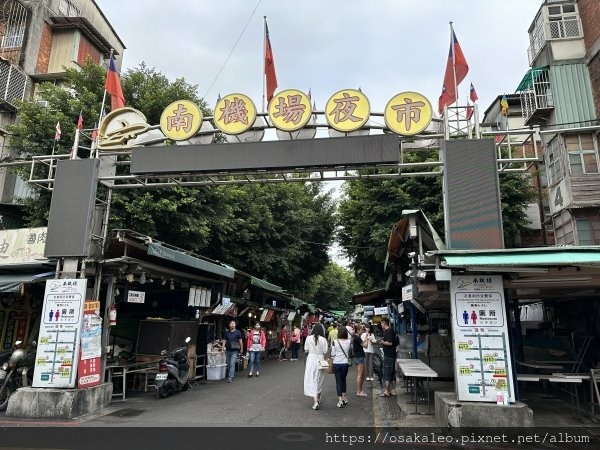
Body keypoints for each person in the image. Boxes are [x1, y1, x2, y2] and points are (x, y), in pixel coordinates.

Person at [303, 323, 328, 410]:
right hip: (320, 359)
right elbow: (325, 351)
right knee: (319, 379)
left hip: (311, 359)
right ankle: (318, 399)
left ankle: (315, 401)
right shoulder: (323, 339)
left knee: (312, 379)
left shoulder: (308, 338)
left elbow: (306, 349)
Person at [331, 326, 352, 408]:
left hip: (336, 363)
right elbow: (350, 352)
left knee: (338, 381)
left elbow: (333, 354)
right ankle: (344, 398)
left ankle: (340, 400)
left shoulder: (334, 342)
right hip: (345, 363)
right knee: (343, 380)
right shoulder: (349, 341)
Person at [378, 317, 398, 397]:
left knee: (386, 373)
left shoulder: (388, 331)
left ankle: (386, 391)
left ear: (383, 322)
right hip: (392, 354)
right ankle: (393, 390)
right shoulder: (391, 330)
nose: (381, 324)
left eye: (381, 323)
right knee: (392, 373)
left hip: (389, 355)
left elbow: (390, 343)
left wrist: (382, 342)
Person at [352, 323, 367, 396]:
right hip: (360, 356)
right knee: (360, 375)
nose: (362, 331)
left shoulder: (356, 337)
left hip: (357, 356)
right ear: (358, 330)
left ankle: (360, 390)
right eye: (361, 330)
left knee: (362, 374)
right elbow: (365, 346)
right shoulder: (357, 337)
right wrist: (367, 337)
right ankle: (359, 391)